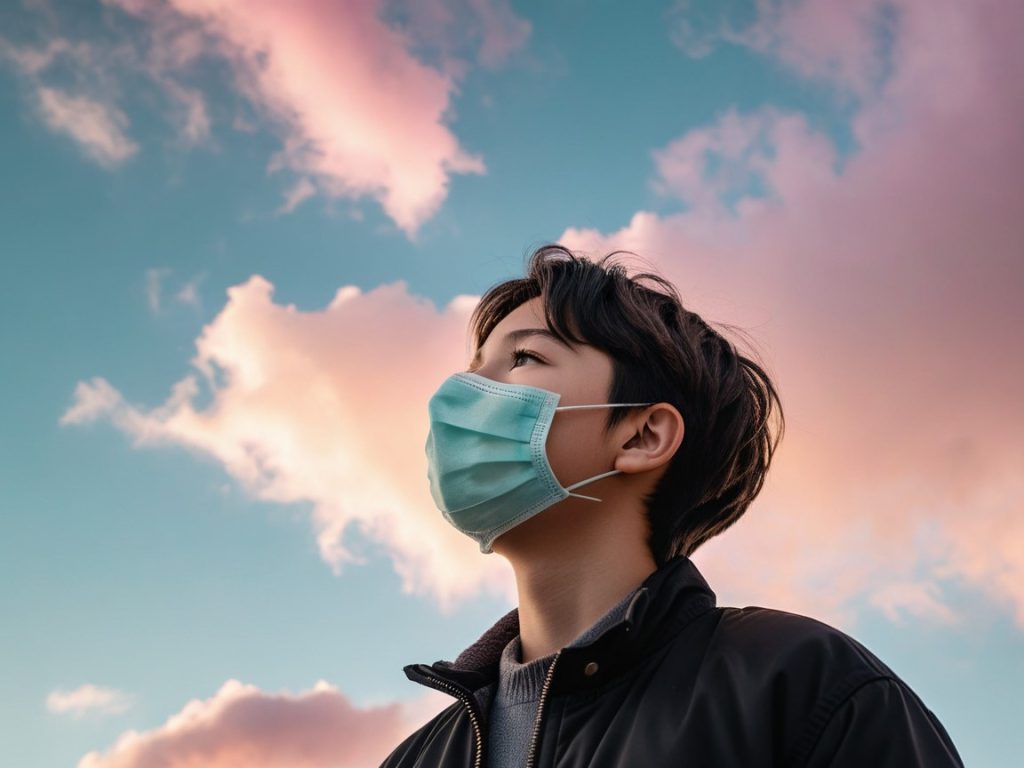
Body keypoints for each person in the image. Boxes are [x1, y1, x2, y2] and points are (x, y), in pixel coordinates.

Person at [380, 244, 965, 767]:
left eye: (524, 358)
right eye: (473, 368)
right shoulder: (415, 759)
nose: (460, 395)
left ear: (643, 436)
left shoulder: (801, 685)